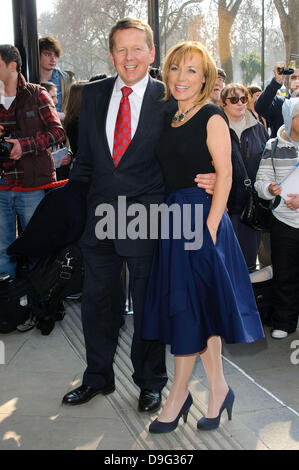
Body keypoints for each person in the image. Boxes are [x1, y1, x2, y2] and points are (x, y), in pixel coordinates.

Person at [61, 18, 215, 412]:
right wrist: (75, 207)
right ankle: (97, 377)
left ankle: (150, 382)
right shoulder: (92, 95)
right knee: (97, 304)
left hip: (148, 220)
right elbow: (85, 161)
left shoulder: (170, 96)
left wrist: (217, 176)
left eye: (137, 49)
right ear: (111, 54)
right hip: (98, 221)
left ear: (151, 53)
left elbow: (202, 136)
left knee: (148, 304)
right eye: (121, 50)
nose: (129, 58)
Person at [142, 41, 264, 434]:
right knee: (202, 310)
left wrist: (209, 230)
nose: (181, 77)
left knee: (187, 309)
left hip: (200, 222)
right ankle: (219, 388)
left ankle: (178, 394)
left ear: (206, 77)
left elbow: (225, 175)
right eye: (176, 68)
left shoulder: (212, 115)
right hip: (174, 220)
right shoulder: (170, 116)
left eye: (192, 70)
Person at [0, 44, 65, 277]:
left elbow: (58, 133)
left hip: (32, 187)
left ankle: (42, 304)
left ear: (12, 66)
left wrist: (23, 146)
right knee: (2, 250)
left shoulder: (36, 93)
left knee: (39, 248)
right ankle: (10, 307)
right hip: (2, 186)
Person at [255, 98, 299, 340]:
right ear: (289, 118)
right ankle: (284, 320)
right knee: (285, 272)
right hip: (283, 219)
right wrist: (267, 190)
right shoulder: (272, 145)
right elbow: (261, 180)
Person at [220, 83, 268, 272]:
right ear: (223, 104)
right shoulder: (217, 128)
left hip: (251, 206)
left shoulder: (258, 128)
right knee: (226, 263)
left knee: (248, 264)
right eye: (234, 100)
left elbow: (265, 163)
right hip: (226, 204)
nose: (240, 103)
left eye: (243, 99)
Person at [255, 61, 299, 137]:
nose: (297, 81)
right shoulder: (279, 103)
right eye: (293, 78)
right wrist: (277, 81)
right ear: (287, 82)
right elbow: (260, 107)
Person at [41, 81, 72, 180]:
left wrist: (68, 156)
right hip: (44, 179)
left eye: (56, 97)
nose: (56, 102)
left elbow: (65, 146)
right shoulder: (35, 124)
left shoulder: (57, 119)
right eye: (52, 97)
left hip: (60, 176)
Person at [39, 36, 75, 114]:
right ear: (37, 56)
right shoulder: (28, 80)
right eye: (48, 54)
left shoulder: (66, 80)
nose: (53, 59)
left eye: (55, 55)